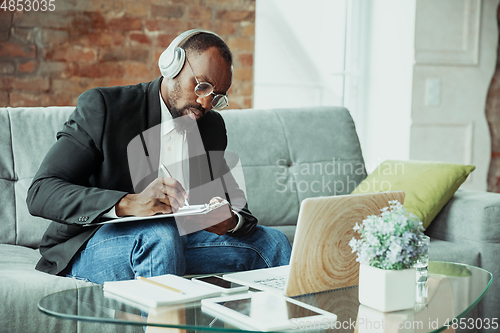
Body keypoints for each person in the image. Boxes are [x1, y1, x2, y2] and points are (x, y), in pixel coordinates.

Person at [27, 29, 291, 284]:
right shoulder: (106, 107)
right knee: (162, 237)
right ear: (171, 66)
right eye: (202, 86)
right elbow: (42, 191)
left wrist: (230, 220)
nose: (206, 103)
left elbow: (232, 200)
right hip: (90, 243)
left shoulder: (210, 126)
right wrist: (128, 203)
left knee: (273, 243)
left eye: (217, 96)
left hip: (175, 240)